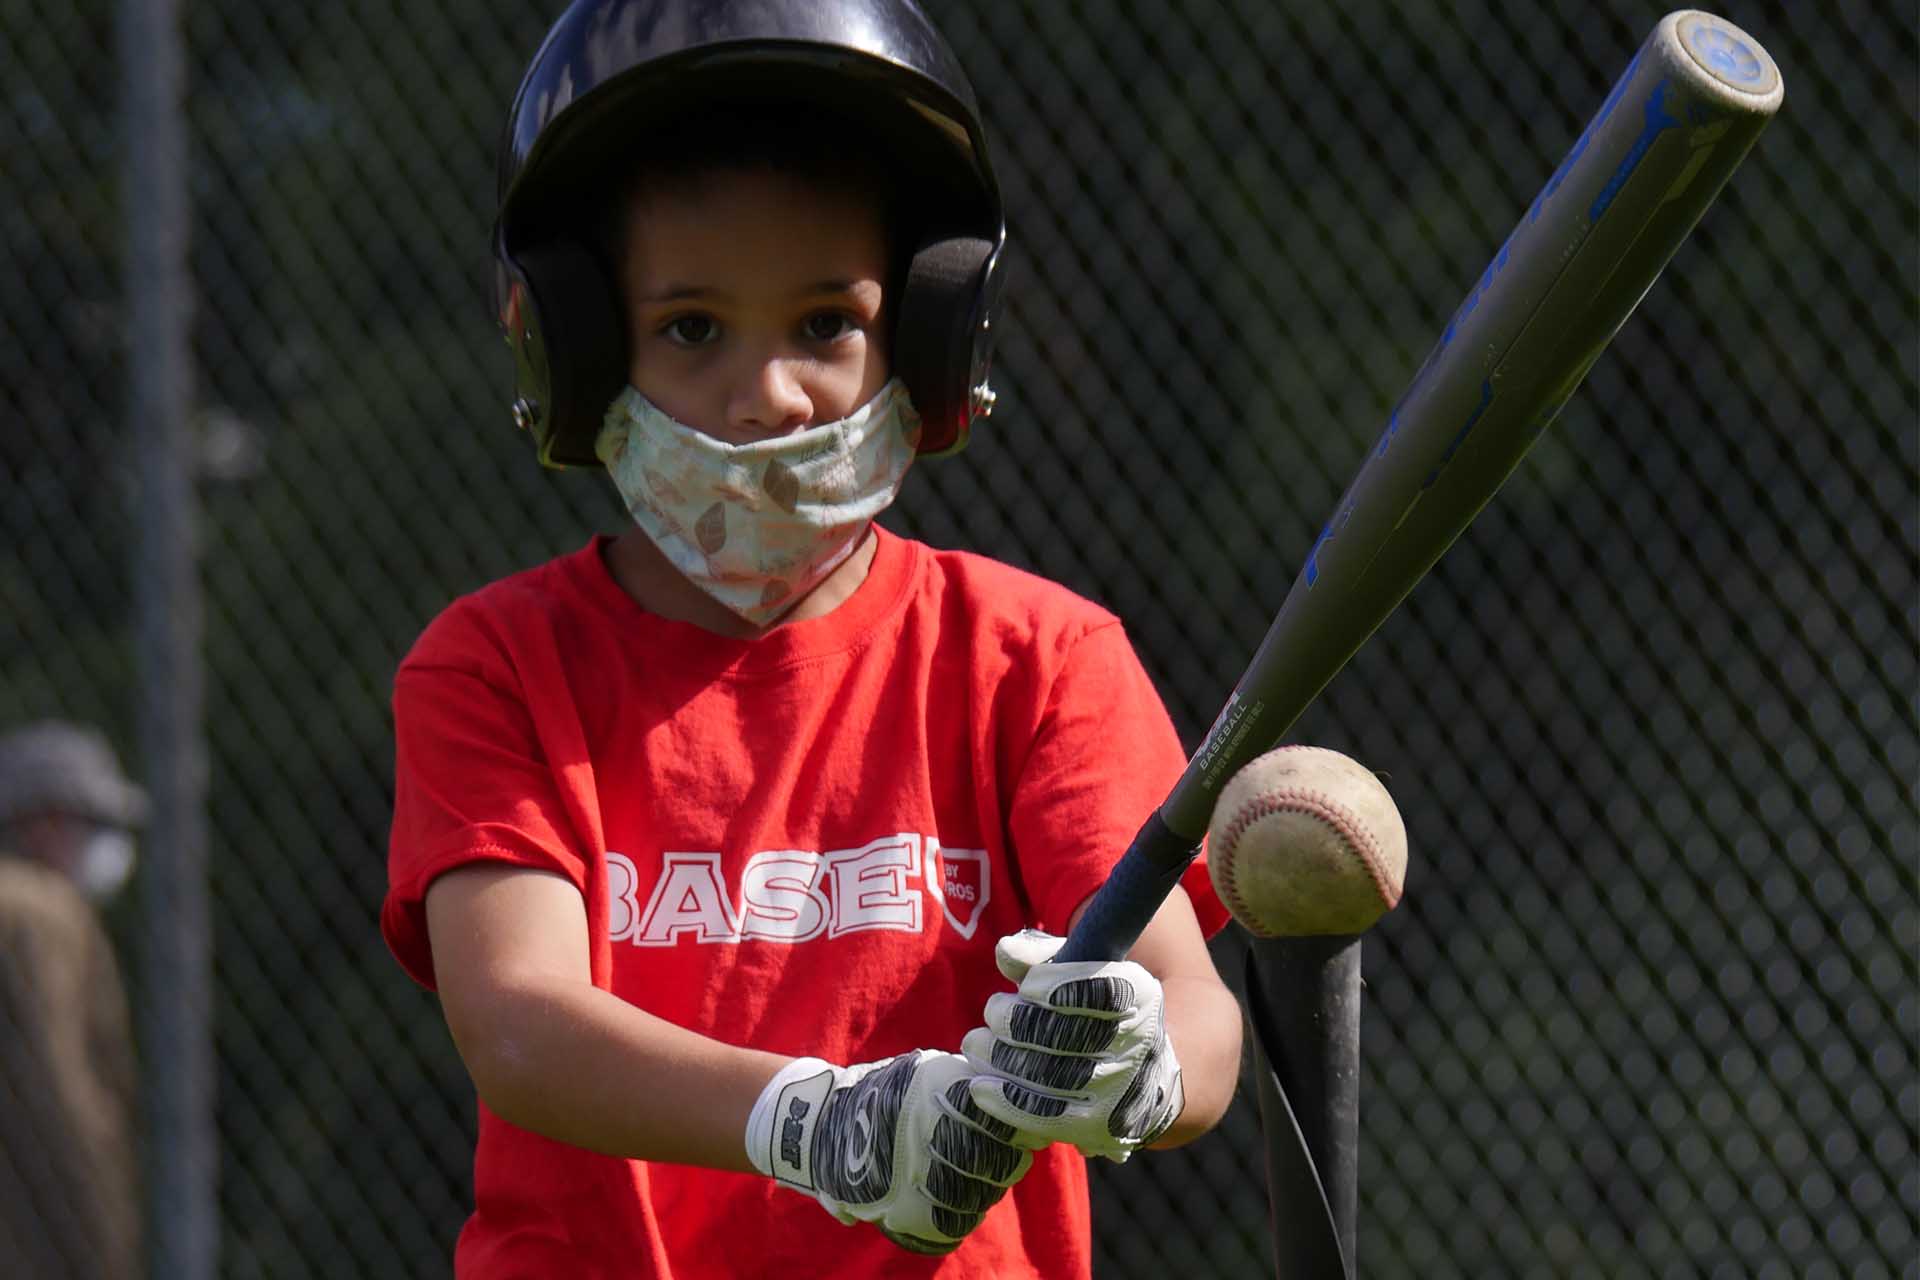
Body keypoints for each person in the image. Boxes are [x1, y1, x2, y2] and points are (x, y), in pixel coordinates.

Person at [381, 3, 1245, 1276]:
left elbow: (1197, 1014)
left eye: (826, 323)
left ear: (931, 331)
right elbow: (519, 1025)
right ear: (574, 348)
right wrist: (816, 1120)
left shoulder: (1039, 657)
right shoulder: (494, 666)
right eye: (690, 328)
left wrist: (1142, 1062)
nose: (769, 392)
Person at [0, 720, 144, 1280]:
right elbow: (61, 1102)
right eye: (95, 825)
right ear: (48, 822)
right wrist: (100, 1248)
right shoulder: (43, 917)